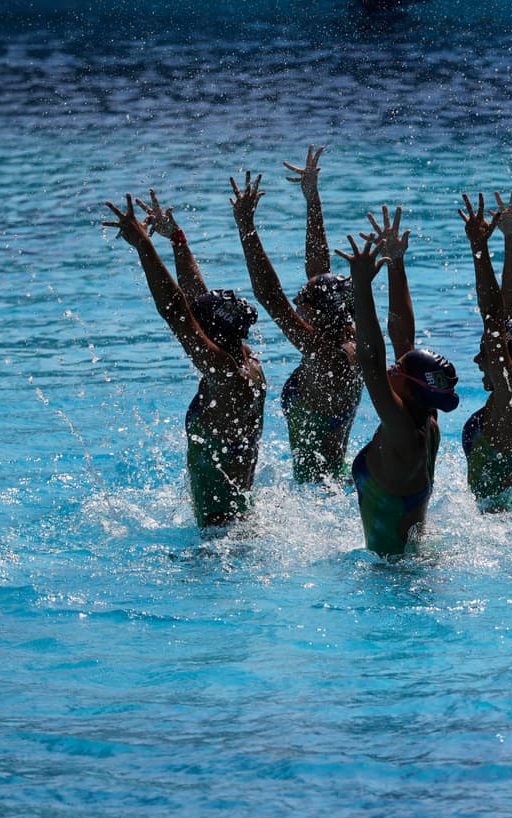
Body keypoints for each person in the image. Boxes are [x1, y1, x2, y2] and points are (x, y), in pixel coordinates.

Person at [104, 192, 266, 527]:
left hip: (222, 538)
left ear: (212, 333)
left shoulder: (224, 371)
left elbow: (176, 312)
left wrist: (144, 246)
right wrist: (176, 239)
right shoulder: (243, 358)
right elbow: (195, 301)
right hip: (234, 524)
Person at [230, 149, 363, 484]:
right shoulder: (351, 335)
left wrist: (246, 228)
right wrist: (312, 197)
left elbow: (270, 297)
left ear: (318, 313)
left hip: (322, 496)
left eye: (303, 300)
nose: (297, 298)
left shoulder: (325, 355)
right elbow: (320, 272)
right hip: (337, 480)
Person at [336, 218, 460, 557]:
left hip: (394, 579)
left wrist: (361, 287)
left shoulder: (403, 430)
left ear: (409, 386)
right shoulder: (425, 411)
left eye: (400, 368)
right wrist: (396, 262)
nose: (394, 365)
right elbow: (403, 338)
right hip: (409, 564)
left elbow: (371, 361)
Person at [458, 191, 512, 512]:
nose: (478, 359)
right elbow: (511, 315)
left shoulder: (509, 393)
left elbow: (494, 317)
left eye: (486, 351)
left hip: (489, 528)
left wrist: (479, 247)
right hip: (509, 521)